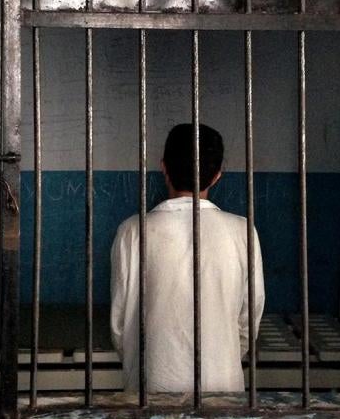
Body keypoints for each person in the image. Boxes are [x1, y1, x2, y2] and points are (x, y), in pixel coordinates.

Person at [110, 123, 265, 393]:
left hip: (150, 386)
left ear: (164, 167)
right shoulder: (242, 231)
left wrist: (144, 363)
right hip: (222, 386)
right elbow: (249, 317)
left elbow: (119, 323)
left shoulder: (132, 231)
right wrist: (220, 360)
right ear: (217, 175)